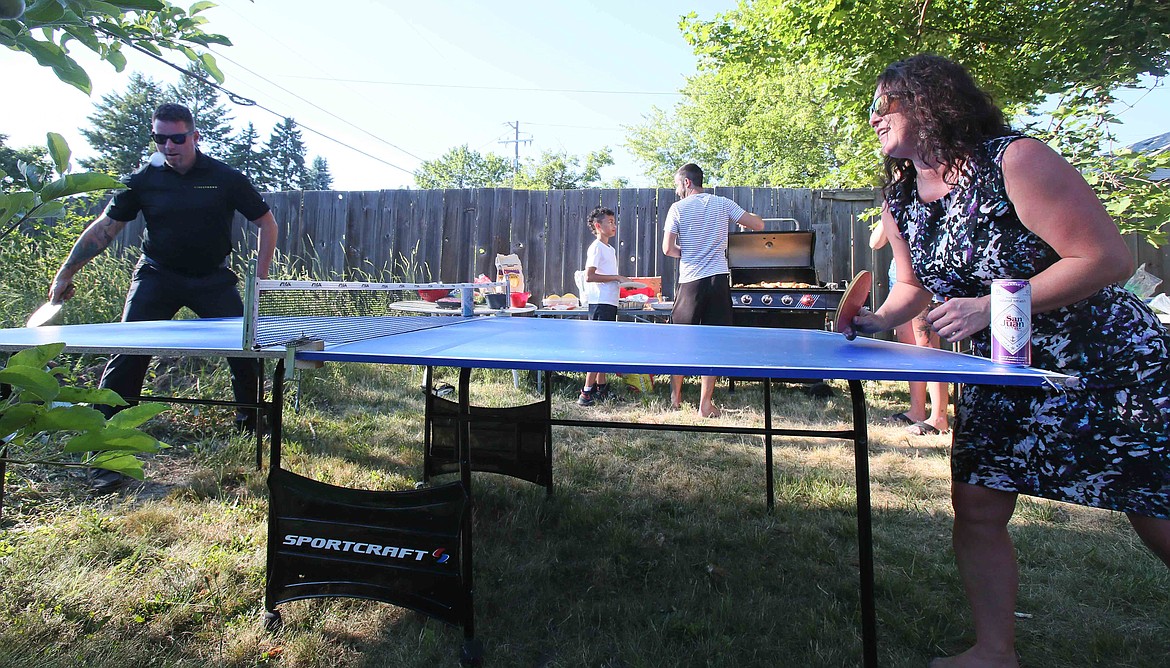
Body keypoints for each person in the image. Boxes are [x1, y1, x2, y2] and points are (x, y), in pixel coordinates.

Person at [849, 54, 1170, 667]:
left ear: (927, 102)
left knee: (1154, 506)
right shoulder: (901, 196)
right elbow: (916, 288)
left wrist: (990, 309)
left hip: (1104, 364)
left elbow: (1104, 259)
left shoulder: (1014, 161)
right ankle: (994, 651)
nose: (872, 121)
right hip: (1002, 370)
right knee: (975, 505)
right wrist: (877, 319)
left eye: (881, 106)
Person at [49, 102, 279, 491]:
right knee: (127, 354)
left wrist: (259, 282)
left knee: (246, 350)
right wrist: (67, 270)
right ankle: (107, 451)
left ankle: (251, 421)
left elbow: (267, 224)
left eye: (177, 138)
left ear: (195, 137)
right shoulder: (142, 179)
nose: (169, 146)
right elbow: (106, 227)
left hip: (212, 278)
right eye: (160, 138)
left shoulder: (225, 178)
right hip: (157, 275)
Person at [661, 163, 765, 418]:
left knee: (680, 340)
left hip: (691, 282)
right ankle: (705, 405)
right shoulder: (723, 203)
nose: (676, 190)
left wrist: (689, 254)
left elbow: (667, 248)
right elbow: (758, 225)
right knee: (713, 342)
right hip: (718, 281)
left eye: (677, 184)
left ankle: (675, 400)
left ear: (687, 182)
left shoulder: (678, 208)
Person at [868, 223, 949, 435]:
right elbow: (875, 243)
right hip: (901, 277)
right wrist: (887, 213)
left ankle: (939, 417)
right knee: (909, 346)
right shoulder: (897, 205)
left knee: (928, 346)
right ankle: (917, 411)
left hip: (927, 275)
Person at [578, 206, 626, 406]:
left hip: (609, 302)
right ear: (598, 226)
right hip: (599, 303)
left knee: (604, 346)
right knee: (597, 348)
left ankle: (601, 389)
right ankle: (585, 393)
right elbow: (589, 276)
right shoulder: (596, 247)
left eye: (614, 222)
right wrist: (615, 277)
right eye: (610, 222)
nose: (614, 226)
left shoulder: (610, 248)